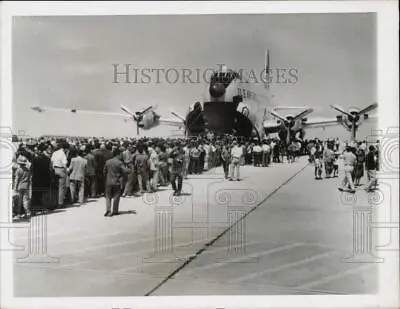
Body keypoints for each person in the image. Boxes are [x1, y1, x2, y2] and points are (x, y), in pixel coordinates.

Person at [103, 148, 126, 217]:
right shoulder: (119, 162)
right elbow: (124, 171)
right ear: (118, 154)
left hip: (108, 181)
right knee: (116, 196)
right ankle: (115, 210)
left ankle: (108, 211)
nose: (122, 156)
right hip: (117, 181)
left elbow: (104, 171)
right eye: (121, 154)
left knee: (108, 197)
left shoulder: (108, 161)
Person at [51, 141, 69, 207]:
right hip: (61, 170)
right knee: (62, 188)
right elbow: (64, 164)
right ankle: (60, 203)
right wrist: (67, 170)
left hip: (55, 169)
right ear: (65, 148)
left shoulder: (55, 153)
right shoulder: (63, 154)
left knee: (56, 187)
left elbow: (51, 161)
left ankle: (54, 202)